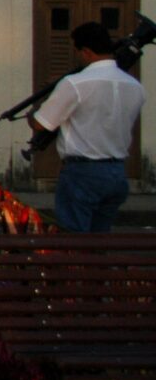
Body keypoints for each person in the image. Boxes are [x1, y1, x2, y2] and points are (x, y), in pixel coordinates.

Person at [29, 21, 146, 232]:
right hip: (117, 172)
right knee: (98, 240)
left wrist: (31, 115)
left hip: (82, 172)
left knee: (74, 241)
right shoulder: (134, 86)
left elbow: (41, 124)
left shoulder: (75, 83)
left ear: (86, 51)